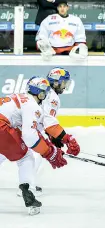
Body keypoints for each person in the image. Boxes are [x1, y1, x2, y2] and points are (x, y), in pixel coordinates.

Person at [0, 77, 67, 215]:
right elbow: (30, 137)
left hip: (4, 125)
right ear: (39, 92)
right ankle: (27, 192)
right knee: (26, 157)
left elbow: (26, 130)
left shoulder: (18, 97)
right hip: (1, 127)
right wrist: (49, 153)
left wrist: (48, 143)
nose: (45, 95)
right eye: (44, 92)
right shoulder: (32, 105)